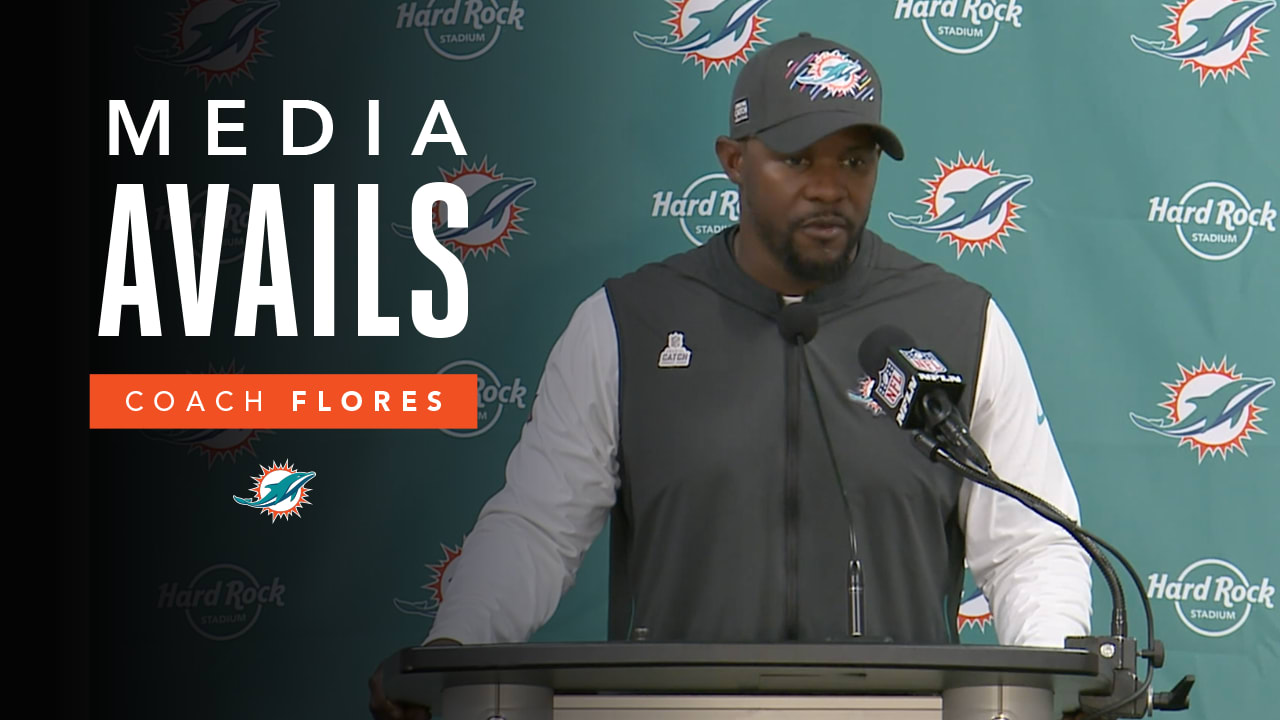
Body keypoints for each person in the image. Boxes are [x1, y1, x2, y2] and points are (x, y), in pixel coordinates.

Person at [370, 33, 1091, 720]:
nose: (829, 188)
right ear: (734, 159)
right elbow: (536, 525)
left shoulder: (958, 323)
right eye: (798, 159)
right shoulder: (626, 322)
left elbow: (1030, 541)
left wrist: (1057, 670)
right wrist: (455, 648)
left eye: (854, 161)